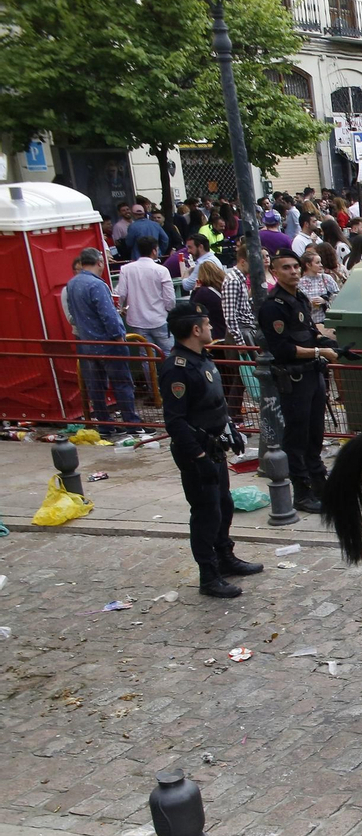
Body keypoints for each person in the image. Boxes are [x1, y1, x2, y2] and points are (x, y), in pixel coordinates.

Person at [159, 300, 260, 598]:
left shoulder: (202, 359)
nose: (212, 327)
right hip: (197, 452)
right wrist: (198, 456)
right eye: (207, 324)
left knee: (224, 506)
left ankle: (225, 557)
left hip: (215, 447)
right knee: (206, 514)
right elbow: (175, 422)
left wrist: (232, 429)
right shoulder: (177, 369)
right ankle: (209, 575)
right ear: (195, 329)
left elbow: (215, 405)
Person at [258, 249, 341, 512]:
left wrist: (332, 345)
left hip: (313, 374)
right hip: (293, 379)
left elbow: (310, 333)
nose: (293, 271)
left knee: (315, 435)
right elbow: (282, 348)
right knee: (297, 438)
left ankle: (319, 484)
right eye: (286, 268)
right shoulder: (273, 306)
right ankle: (302, 492)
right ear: (275, 271)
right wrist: (320, 351)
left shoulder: (300, 298)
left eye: (295, 266)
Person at [63, 248, 143, 432]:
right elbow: (108, 316)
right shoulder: (96, 285)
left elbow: (73, 315)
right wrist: (118, 337)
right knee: (122, 383)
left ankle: (104, 424)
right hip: (108, 344)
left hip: (87, 344)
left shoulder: (72, 284)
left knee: (96, 387)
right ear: (100, 262)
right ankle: (132, 423)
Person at [115, 235, 177, 353]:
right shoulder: (162, 270)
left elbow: (120, 294)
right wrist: (169, 310)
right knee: (169, 353)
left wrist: (119, 309)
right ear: (154, 250)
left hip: (137, 320)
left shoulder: (126, 269)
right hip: (159, 318)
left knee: (147, 357)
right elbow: (170, 298)